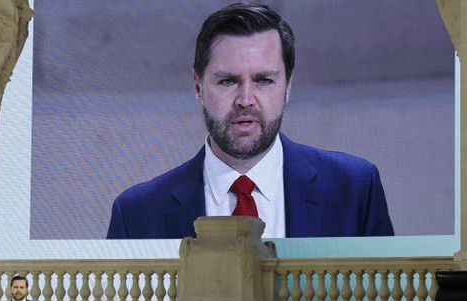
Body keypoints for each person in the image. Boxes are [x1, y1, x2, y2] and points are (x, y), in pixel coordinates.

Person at [107, 2, 393, 240]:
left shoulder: (355, 191)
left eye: (264, 80)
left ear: (288, 86)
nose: (245, 99)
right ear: (198, 86)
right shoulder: (137, 214)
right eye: (228, 81)